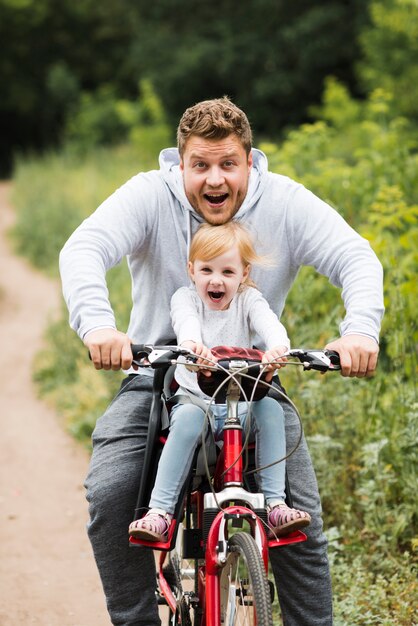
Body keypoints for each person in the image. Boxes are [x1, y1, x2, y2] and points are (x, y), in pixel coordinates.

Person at [59, 97, 384, 626]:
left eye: (228, 164)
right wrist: (99, 326)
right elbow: (85, 247)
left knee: (299, 524)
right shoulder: (148, 196)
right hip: (157, 374)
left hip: (252, 378)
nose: (215, 180)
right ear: (179, 164)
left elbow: (356, 257)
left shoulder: (284, 203)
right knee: (111, 493)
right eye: (201, 165)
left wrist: (359, 332)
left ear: (249, 162)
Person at [129, 221, 311, 542]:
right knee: (186, 420)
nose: (216, 280)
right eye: (207, 270)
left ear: (244, 273)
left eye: (228, 272)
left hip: (239, 402)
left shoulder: (248, 299)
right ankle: (159, 511)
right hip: (196, 400)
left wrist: (278, 347)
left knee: (270, 411)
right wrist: (193, 346)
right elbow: (186, 325)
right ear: (191, 270)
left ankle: (275, 505)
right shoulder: (185, 299)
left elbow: (269, 323)